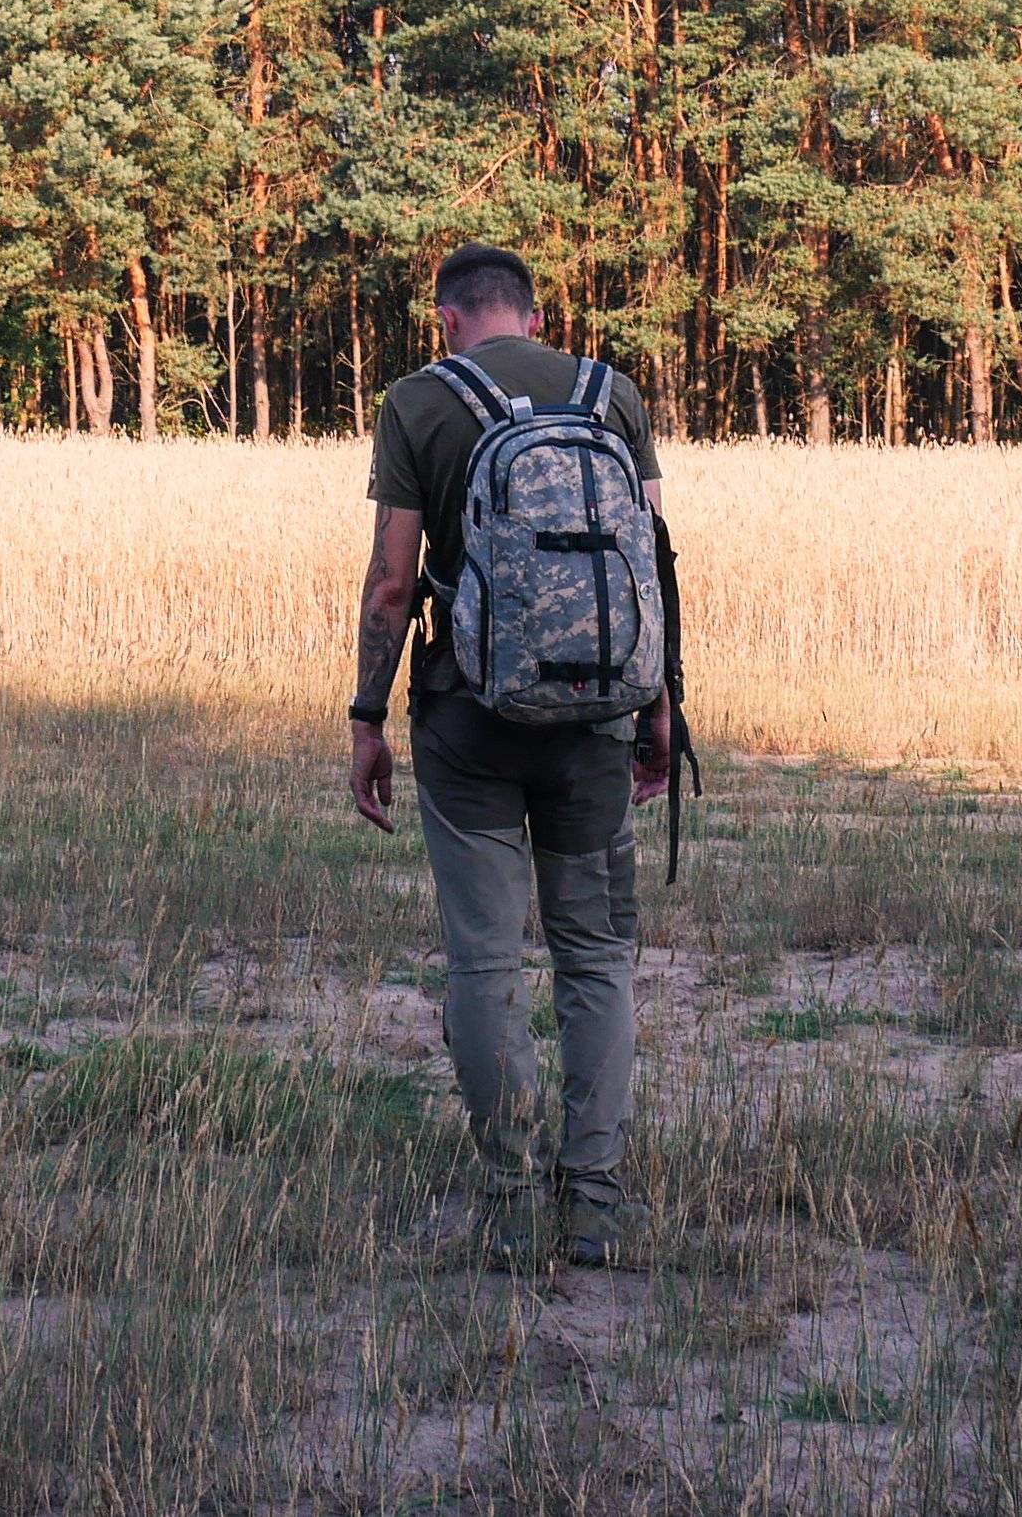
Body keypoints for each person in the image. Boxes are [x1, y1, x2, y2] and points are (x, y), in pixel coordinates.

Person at [348, 243, 674, 1272]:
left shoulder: (418, 401)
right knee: (594, 955)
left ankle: (512, 1194)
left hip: (469, 726)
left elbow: (394, 584)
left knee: (486, 961)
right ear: (535, 316)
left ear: (448, 318)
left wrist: (368, 713)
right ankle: (595, 1204)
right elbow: (654, 561)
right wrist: (663, 706)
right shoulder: (608, 390)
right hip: (594, 726)